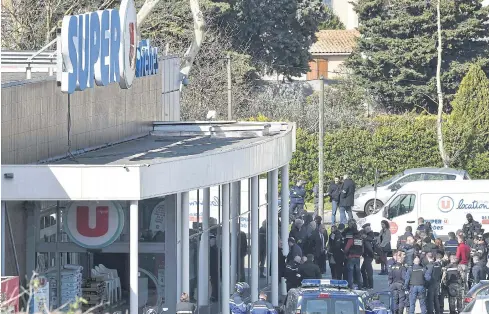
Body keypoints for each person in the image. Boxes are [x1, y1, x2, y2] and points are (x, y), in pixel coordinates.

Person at [344, 223, 363, 289]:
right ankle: (360, 285)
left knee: (350, 272)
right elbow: (362, 249)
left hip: (351, 257)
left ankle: (350, 286)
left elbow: (346, 248)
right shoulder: (360, 240)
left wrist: (346, 254)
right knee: (358, 271)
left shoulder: (351, 240)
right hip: (358, 257)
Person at [361, 223, 375, 290]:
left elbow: (370, 239)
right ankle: (366, 284)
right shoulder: (369, 235)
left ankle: (369, 285)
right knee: (363, 270)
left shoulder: (370, 235)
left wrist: (365, 237)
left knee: (368, 271)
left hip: (368, 255)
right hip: (367, 255)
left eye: (366, 229)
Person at [209, 234, 221, 302]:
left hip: (214, 269)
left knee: (214, 283)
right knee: (214, 283)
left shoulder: (213, 249)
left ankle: (215, 296)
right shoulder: (216, 249)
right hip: (215, 268)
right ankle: (215, 295)